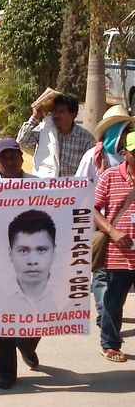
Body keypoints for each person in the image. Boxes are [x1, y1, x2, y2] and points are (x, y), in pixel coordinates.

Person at [0, 139, 41, 390]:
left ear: (21, 158)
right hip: (0, 265)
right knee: (4, 318)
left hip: (35, 264)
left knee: (38, 316)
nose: (9, 161)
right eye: (3, 157)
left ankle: (26, 345)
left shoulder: (40, 186)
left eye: (13, 156)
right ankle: (5, 372)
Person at [76, 105, 135, 327]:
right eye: (123, 128)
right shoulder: (93, 156)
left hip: (126, 231)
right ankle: (105, 315)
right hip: (98, 223)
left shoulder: (127, 155)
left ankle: (108, 313)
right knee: (101, 272)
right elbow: (80, 188)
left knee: (114, 280)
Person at [94, 131, 135, 363]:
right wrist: (112, 231)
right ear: (125, 154)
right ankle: (109, 344)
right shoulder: (110, 176)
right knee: (113, 302)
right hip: (117, 254)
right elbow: (93, 209)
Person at [17, 94, 95, 178]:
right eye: (54, 111)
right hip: (45, 186)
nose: (56, 115)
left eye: (61, 111)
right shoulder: (45, 130)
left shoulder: (86, 138)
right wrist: (35, 116)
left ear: (73, 115)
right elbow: (21, 142)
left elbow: (92, 165)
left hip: (71, 188)